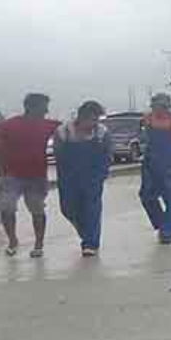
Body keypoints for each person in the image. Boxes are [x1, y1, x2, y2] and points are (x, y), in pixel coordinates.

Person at [0, 93, 61, 257]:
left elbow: (72, 129)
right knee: (6, 208)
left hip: (37, 176)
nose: (46, 110)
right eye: (44, 107)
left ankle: (38, 244)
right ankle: (12, 241)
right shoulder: (9, 125)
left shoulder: (49, 125)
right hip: (11, 176)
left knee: (37, 210)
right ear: (31, 107)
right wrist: (1, 170)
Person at [54, 100, 114, 256]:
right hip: (68, 177)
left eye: (97, 119)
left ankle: (90, 243)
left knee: (92, 209)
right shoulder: (63, 131)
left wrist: (102, 173)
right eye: (91, 119)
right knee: (67, 209)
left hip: (93, 177)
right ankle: (87, 232)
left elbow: (108, 154)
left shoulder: (102, 133)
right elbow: (57, 154)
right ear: (81, 116)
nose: (94, 123)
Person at [139, 93, 171, 245]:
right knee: (146, 195)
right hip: (150, 162)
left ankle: (168, 232)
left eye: (161, 108)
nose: (157, 111)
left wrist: (168, 156)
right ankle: (161, 223)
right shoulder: (147, 119)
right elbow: (144, 137)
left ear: (167, 107)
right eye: (154, 107)